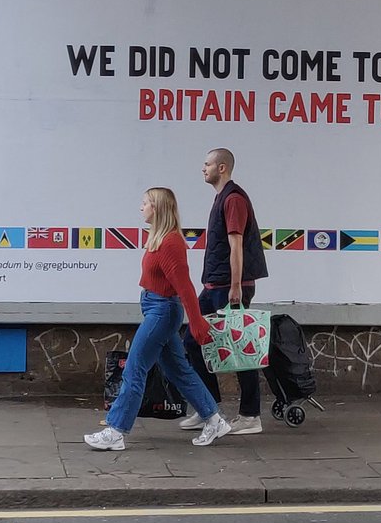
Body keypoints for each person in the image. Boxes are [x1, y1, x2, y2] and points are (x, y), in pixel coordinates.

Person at [84, 188, 232, 451]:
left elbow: (185, 285)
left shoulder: (171, 243)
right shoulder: (159, 237)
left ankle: (116, 431)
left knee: (134, 368)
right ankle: (214, 419)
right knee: (178, 370)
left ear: (159, 208)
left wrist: (196, 322)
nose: (141, 207)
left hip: (162, 312)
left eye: (145, 203)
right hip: (156, 306)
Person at [182, 147, 268, 435]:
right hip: (214, 285)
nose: (202, 168)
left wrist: (235, 286)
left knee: (240, 349)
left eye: (207, 164)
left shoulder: (232, 200)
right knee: (193, 340)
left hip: (230, 287)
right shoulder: (222, 198)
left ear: (222, 168)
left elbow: (236, 246)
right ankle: (209, 409)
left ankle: (250, 416)